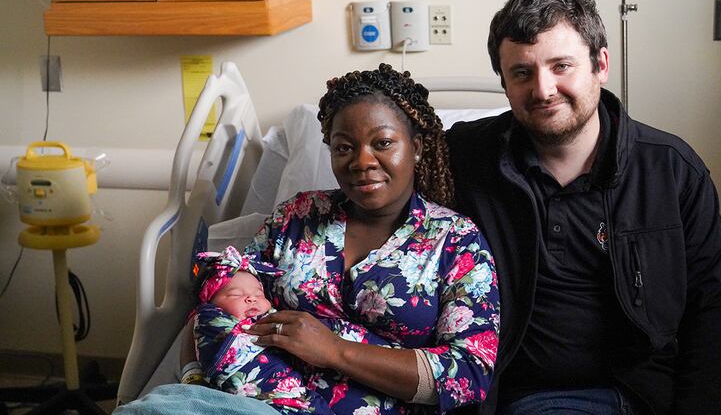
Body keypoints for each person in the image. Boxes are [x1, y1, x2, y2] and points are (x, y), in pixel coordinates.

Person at [445, 0, 721, 415]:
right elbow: (379, 171)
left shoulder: (671, 171)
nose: (543, 89)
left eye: (561, 66)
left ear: (600, 64)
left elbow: (711, 308)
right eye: (522, 73)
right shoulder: (464, 159)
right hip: (514, 394)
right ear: (504, 82)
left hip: (639, 394)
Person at [179, 63, 500, 415]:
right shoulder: (296, 216)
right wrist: (193, 382)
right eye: (344, 147)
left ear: (417, 147)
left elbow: (469, 375)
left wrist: (335, 350)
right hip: (254, 403)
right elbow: (214, 303)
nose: (362, 161)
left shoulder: (456, 242)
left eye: (383, 143)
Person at [190, 246, 335, 414]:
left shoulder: (275, 319)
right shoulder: (208, 319)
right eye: (235, 295)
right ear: (210, 302)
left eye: (259, 294)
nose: (252, 299)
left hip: (298, 396)